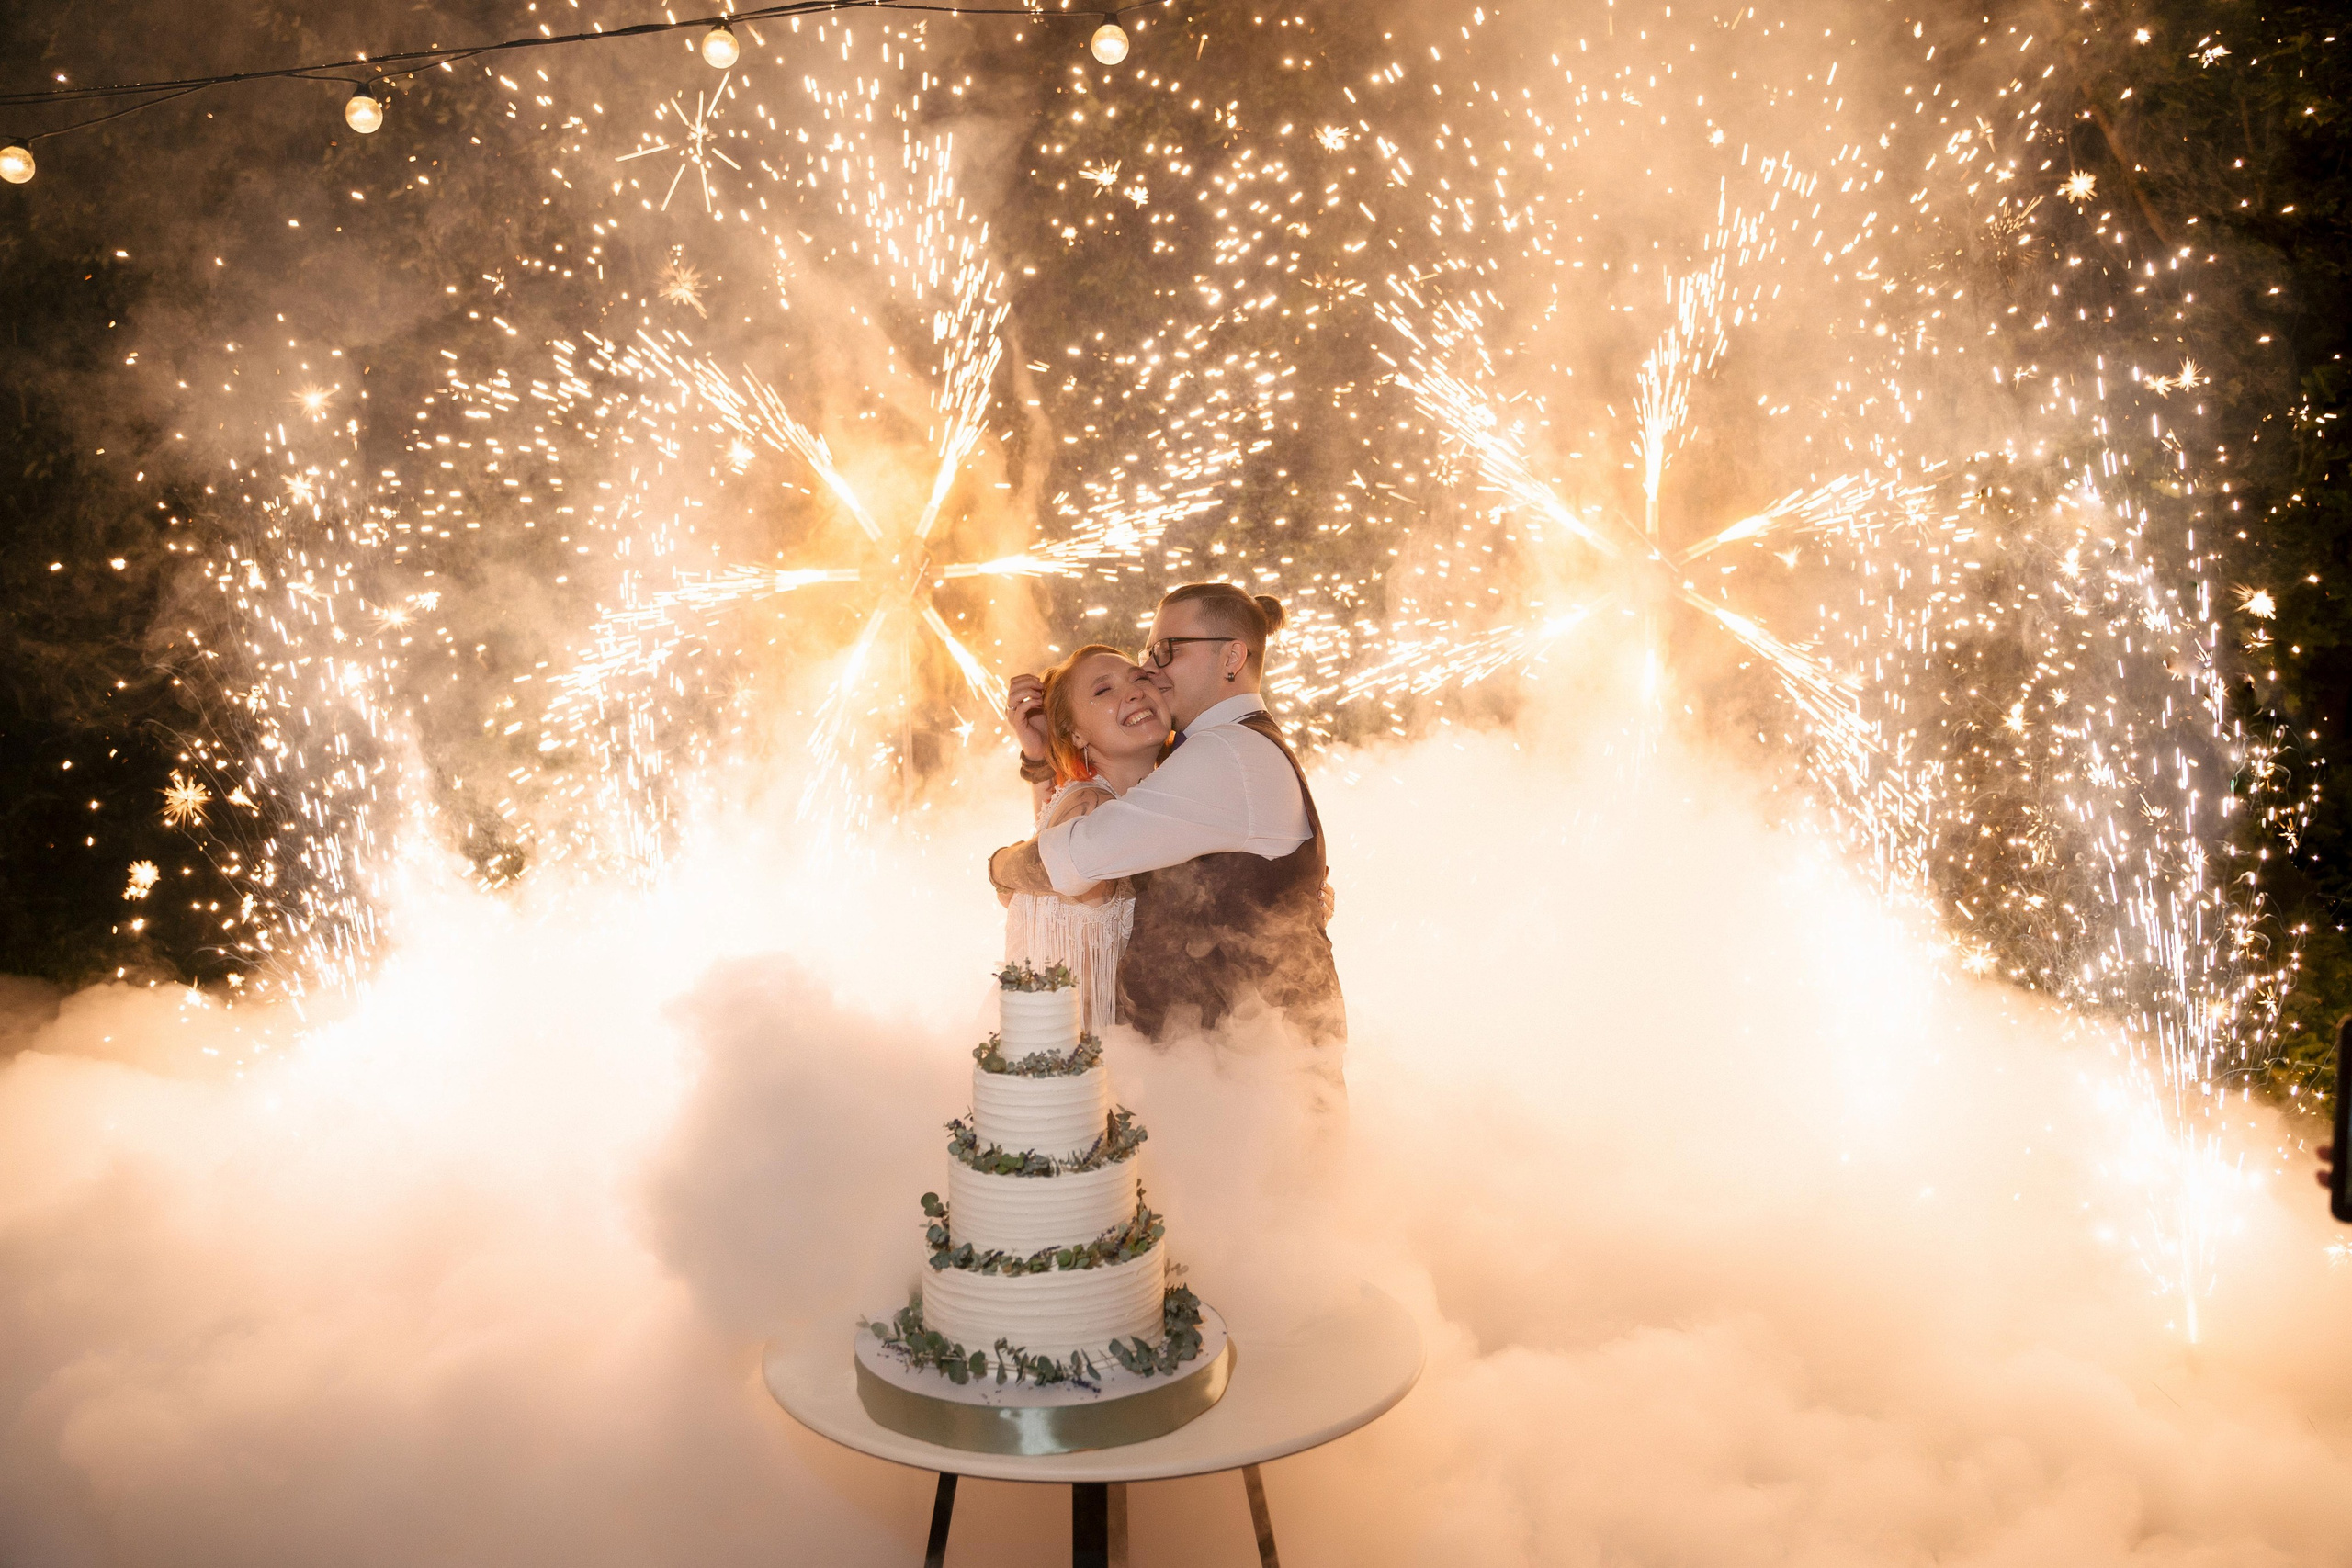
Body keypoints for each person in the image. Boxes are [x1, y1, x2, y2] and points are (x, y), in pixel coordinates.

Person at [991, 584, 1345, 1050]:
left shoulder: (1223, 753)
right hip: (1223, 1078)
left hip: (1247, 1085)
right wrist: (1042, 761)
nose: (1150, 672)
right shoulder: (1214, 754)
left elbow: (1075, 857)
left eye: (1164, 652)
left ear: (1232, 658)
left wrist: (998, 867)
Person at [998, 645, 1170, 1033]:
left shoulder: (1097, 800)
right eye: (1103, 690)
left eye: (1139, 678)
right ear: (1075, 734)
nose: (1135, 691)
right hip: (1071, 1060)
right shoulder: (1093, 807)